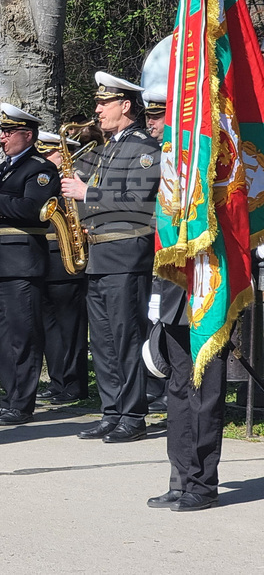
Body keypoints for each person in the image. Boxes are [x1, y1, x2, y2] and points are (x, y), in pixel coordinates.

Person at [62, 72, 160, 443]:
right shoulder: (106, 148)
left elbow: (137, 200)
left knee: (126, 338)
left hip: (127, 254)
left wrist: (87, 192)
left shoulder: (144, 148)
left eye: (105, 103)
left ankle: (133, 416)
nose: (98, 110)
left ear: (126, 105)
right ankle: (112, 411)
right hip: (100, 254)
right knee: (102, 342)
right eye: (98, 103)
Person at [141, 87, 224, 512]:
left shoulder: (208, 160)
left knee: (204, 390)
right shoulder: (167, 162)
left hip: (208, 286)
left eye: (160, 117)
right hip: (174, 289)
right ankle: (180, 477)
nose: (152, 124)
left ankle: (202, 483)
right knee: (177, 387)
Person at [0, 103, 59, 426]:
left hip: (21, 261)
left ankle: (22, 403)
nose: (3, 138)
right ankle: (9, 397)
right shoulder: (1, 168)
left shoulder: (40, 168)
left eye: (9, 132)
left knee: (23, 335)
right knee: (2, 337)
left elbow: (34, 208)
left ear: (28, 135)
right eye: (2, 132)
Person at [35, 130, 89, 404]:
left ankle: (74, 383)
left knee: (70, 326)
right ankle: (58, 381)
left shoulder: (75, 177)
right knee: (50, 325)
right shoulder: (43, 177)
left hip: (66, 255)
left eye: (49, 153)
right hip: (44, 255)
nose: (44, 158)